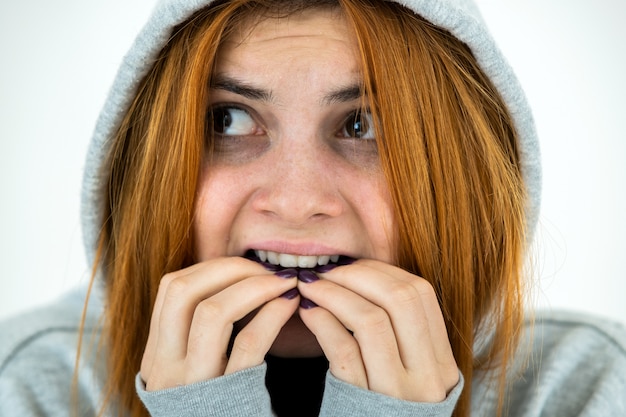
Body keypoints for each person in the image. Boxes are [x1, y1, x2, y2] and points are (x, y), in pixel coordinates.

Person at [1, 0, 625, 416]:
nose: (298, 204)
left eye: (364, 124)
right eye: (229, 118)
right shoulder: (29, 387)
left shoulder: (590, 388)